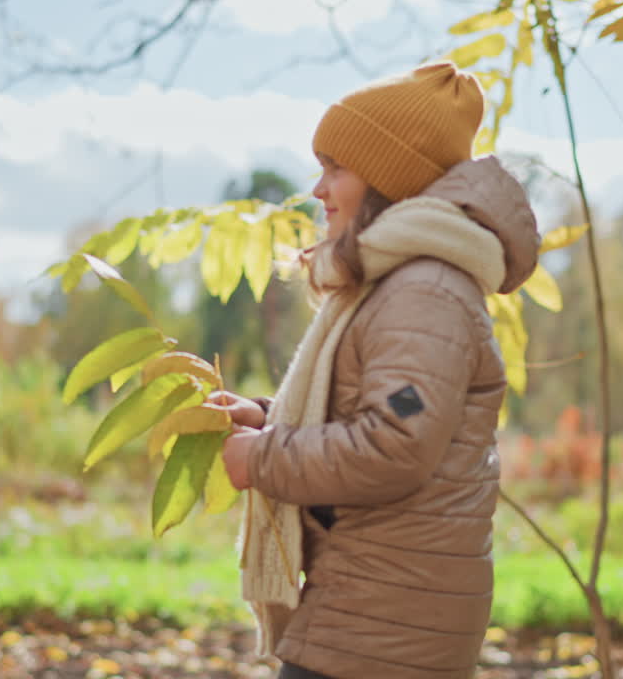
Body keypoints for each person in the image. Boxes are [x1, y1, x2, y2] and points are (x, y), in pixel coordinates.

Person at [210, 62, 539, 679]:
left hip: (386, 623)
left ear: (390, 180)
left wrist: (262, 459)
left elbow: (394, 442)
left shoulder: (425, 292)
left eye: (336, 168)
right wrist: (266, 418)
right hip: (377, 606)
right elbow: (379, 412)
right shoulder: (402, 283)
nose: (318, 189)